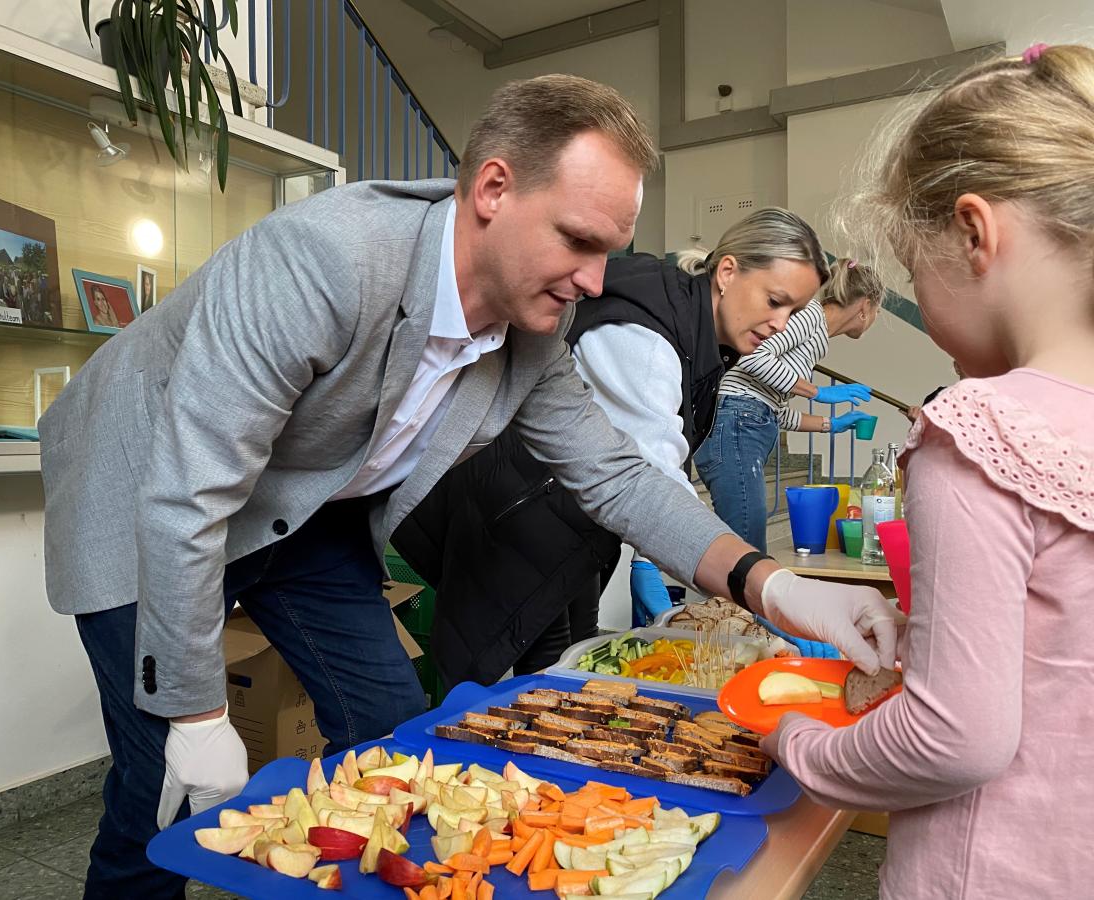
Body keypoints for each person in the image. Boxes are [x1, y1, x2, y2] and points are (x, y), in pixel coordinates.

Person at [39, 74, 903, 899]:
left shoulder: (535, 327)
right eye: (577, 240)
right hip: (145, 487)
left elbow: (616, 476)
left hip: (299, 512)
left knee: (382, 729)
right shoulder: (322, 260)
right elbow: (191, 490)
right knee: (159, 777)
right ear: (493, 188)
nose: (596, 282)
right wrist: (195, 714)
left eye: (609, 250)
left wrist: (774, 584)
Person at [761, 43, 1094, 899]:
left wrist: (802, 746)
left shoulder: (980, 431)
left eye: (915, 273)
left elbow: (957, 739)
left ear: (975, 235)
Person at [393, 207, 830, 684]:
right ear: (727, 272)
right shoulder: (647, 339)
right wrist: (759, 584)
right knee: (522, 683)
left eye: (793, 311)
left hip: (565, 521)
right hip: (513, 518)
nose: (782, 323)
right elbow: (648, 477)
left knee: (568, 667)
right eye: (775, 301)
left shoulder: (691, 325)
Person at [693, 258, 884, 552]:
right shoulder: (809, 315)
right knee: (747, 548)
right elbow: (752, 357)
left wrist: (830, 425)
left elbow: (773, 409)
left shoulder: (816, 335)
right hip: (734, 422)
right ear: (865, 306)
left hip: (748, 420)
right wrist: (816, 391)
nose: (874, 319)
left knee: (747, 545)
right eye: (877, 311)